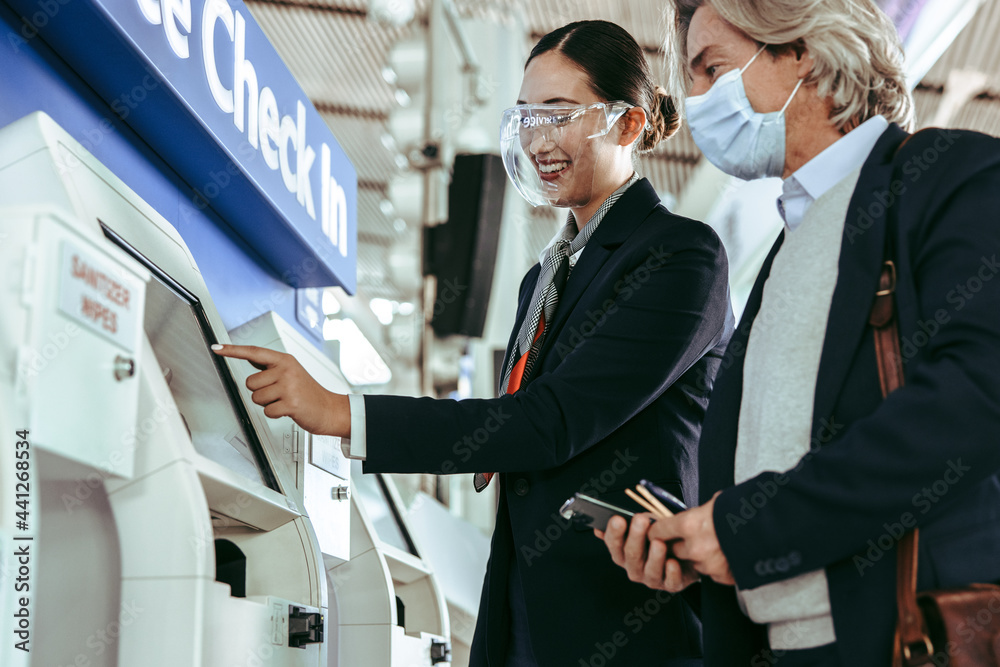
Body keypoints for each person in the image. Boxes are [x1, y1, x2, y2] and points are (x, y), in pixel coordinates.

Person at [215, 20, 733, 667]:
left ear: (628, 125)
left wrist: (345, 412)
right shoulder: (540, 282)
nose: (539, 139)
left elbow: (549, 422)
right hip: (520, 621)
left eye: (560, 115)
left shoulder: (679, 257)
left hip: (623, 626)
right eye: (527, 118)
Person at [599, 1, 1000, 666]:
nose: (696, 102)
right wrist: (701, 548)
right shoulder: (783, 256)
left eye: (712, 69)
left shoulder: (949, 176)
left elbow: (974, 398)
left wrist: (748, 527)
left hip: (907, 641)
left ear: (803, 51)